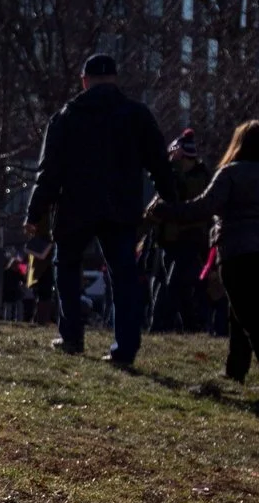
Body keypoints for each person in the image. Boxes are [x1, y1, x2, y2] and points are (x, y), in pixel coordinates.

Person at [24, 52, 171, 368]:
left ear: (84, 80)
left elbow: (49, 172)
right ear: (115, 79)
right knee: (123, 276)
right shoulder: (136, 115)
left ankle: (72, 336)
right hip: (120, 206)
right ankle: (124, 347)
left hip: (75, 206)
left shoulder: (66, 117)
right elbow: (159, 162)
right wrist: (170, 198)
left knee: (67, 268)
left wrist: (35, 212)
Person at [146, 118, 259, 393]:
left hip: (239, 253)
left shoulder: (231, 173)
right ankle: (235, 370)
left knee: (250, 317)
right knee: (245, 313)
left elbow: (202, 209)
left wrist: (164, 210)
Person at [149, 129, 212, 332]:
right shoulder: (173, 175)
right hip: (168, 241)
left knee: (171, 287)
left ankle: (158, 328)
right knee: (177, 289)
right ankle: (192, 328)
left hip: (188, 240)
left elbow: (185, 204)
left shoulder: (199, 178)